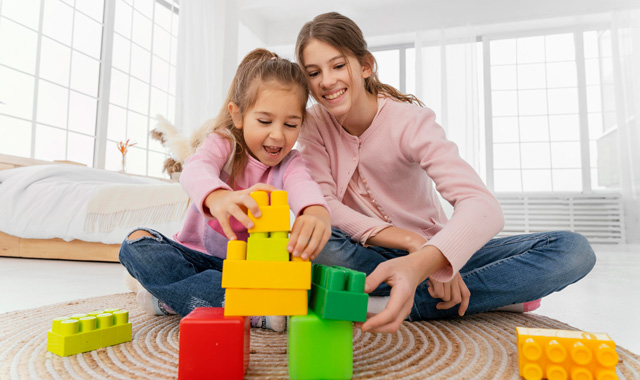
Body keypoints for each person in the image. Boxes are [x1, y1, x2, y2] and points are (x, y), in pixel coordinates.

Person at [295, 12, 596, 334]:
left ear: (365, 66)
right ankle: (484, 296)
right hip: (366, 251)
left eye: (338, 66)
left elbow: (481, 205)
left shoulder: (411, 121)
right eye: (314, 73)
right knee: (316, 239)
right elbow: (325, 204)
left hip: (434, 249)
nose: (326, 81)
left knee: (573, 250)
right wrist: (410, 243)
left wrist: (432, 257)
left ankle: (392, 301)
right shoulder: (312, 125)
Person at [119, 48, 331, 332]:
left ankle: (180, 298)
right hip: (197, 261)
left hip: (250, 272)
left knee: (310, 282)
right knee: (135, 244)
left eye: (291, 124)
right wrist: (217, 195)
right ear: (239, 114)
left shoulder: (290, 163)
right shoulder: (224, 143)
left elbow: (304, 185)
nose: (278, 135)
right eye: (265, 121)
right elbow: (196, 167)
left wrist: (315, 211)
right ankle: (247, 309)